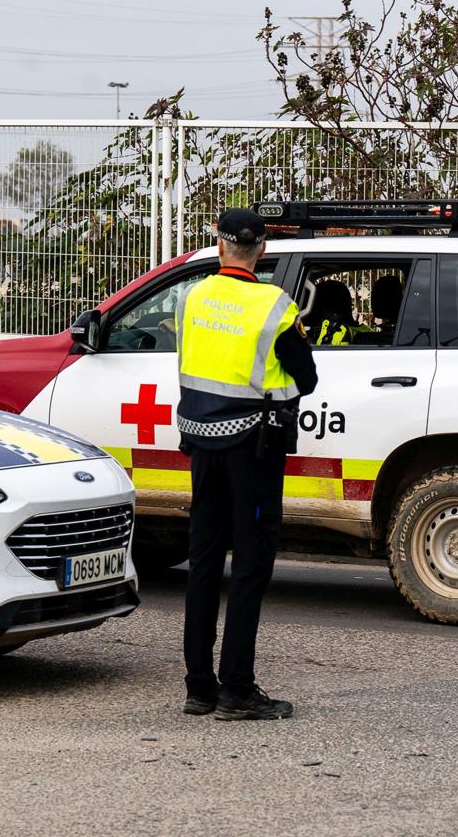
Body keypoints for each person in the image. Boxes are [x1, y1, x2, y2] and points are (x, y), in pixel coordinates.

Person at [174, 208, 318, 721]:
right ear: (261, 249)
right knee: (252, 564)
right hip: (253, 451)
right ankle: (237, 688)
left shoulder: (192, 298)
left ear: (218, 243)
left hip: (201, 445)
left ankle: (198, 687)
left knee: (205, 563)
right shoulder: (274, 306)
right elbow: (306, 378)